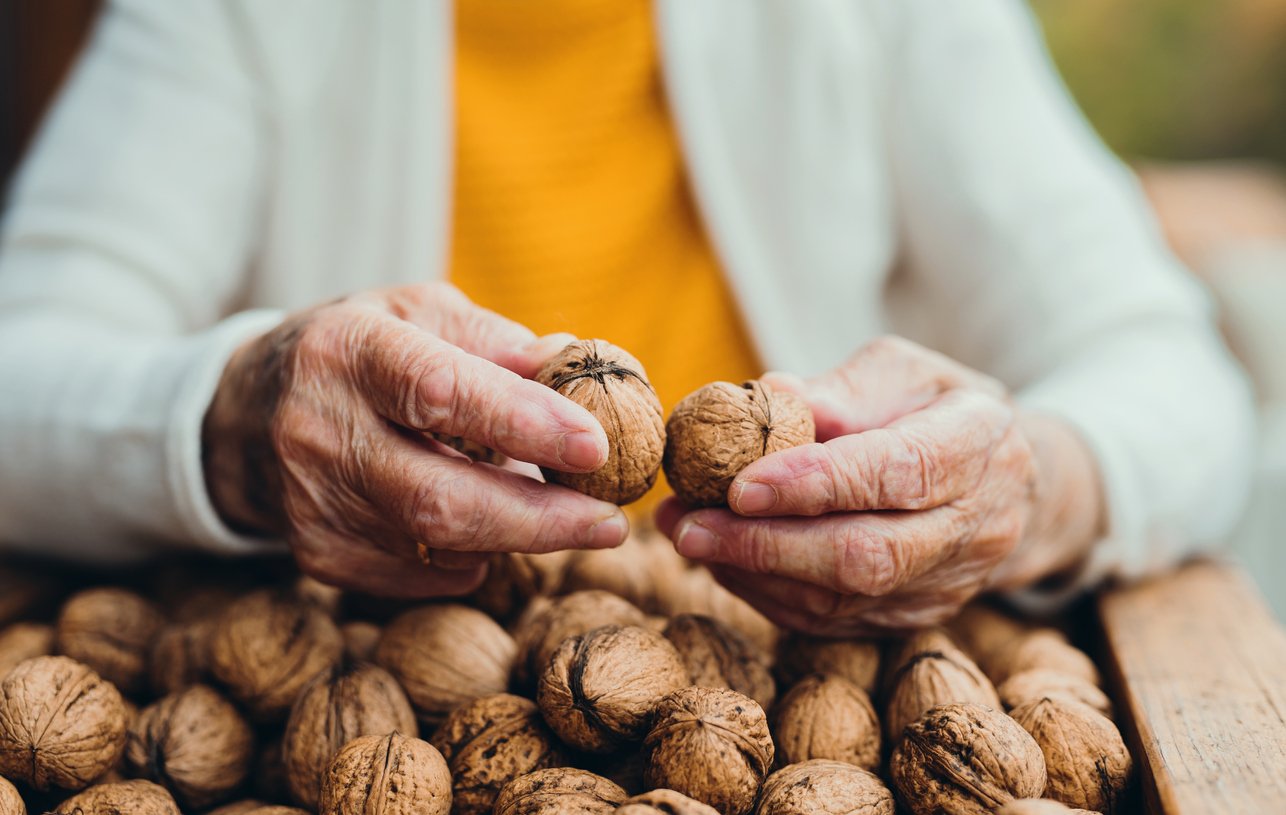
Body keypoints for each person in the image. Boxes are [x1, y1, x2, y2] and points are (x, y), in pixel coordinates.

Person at [0, 0, 1254, 634]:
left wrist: (1026, 482)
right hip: (390, 668)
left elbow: (1164, 361)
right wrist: (229, 419)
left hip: (776, 669)